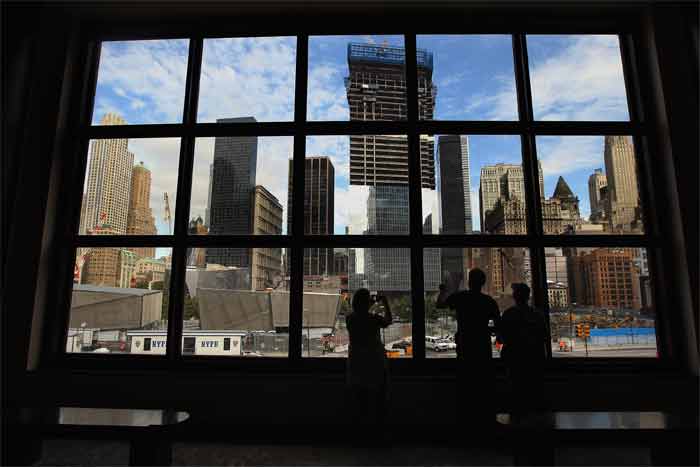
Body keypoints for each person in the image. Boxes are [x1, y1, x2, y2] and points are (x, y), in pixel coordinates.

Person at [436, 268, 501, 429]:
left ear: (469, 281)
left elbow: (440, 304)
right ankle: (485, 424)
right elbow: (499, 327)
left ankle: (466, 425)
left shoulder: (461, 298)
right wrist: (486, 330)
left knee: (465, 388)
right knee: (483, 389)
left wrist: (443, 291)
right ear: (483, 283)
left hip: (465, 347)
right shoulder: (489, 301)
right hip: (482, 349)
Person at [499, 283, 546, 423]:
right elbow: (544, 335)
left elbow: (501, 338)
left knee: (516, 397)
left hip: (514, 362)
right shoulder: (538, 314)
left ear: (514, 296)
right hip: (534, 362)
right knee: (534, 396)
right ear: (528, 296)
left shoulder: (508, 314)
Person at [346, 288, 392, 431]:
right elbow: (388, 321)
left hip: (356, 361)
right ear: (367, 303)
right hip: (374, 361)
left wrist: (369, 303)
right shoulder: (374, 319)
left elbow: (361, 314)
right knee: (377, 399)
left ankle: (360, 433)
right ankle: (377, 432)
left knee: (359, 399)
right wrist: (384, 302)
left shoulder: (350, 319)